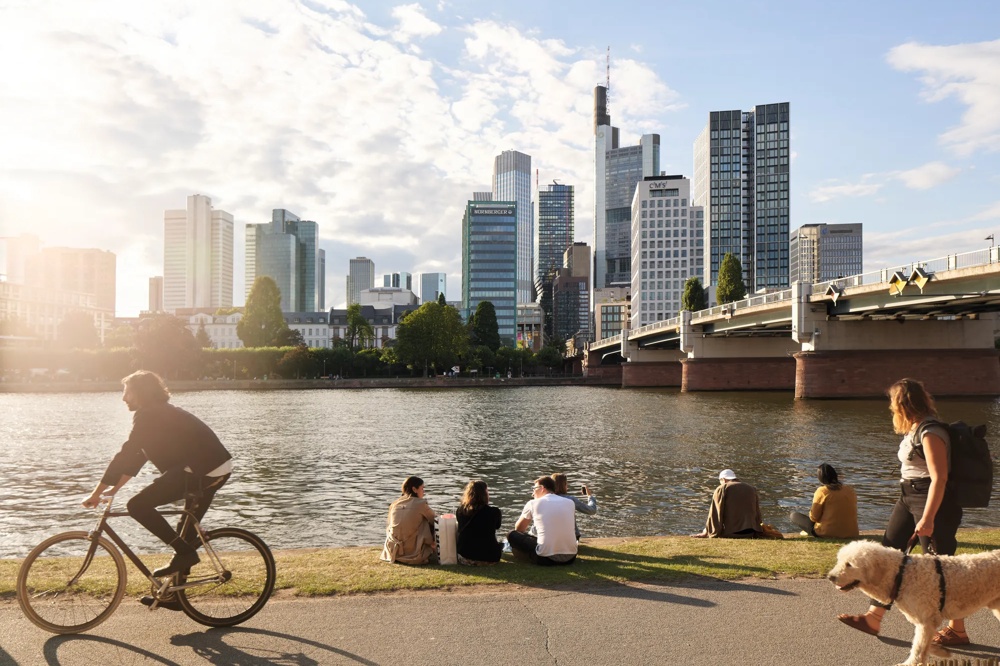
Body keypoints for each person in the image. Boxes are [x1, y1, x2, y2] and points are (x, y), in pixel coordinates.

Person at [82, 370, 232, 610]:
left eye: (127, 392)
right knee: (184, 534)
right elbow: (136, 458)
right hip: (210, 468)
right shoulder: (157, 413)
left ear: (141, 393)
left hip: (204, 470)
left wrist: (96, 492)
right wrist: (112, 490)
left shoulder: (149, 416)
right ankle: (176, 595)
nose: (123, 398)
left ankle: (185, 554)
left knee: (137, 506)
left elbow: (125, 454)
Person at [837, 378, 968, 646]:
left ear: (902, 404)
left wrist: (928, 518)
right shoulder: (914, 429)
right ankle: (873, 617)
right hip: (908, 497)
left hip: (930, 500)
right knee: (888, 552)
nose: (890, 409)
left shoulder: (930, 432)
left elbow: (939, 478)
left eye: (892, 404)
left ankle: (958, 630)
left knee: (941, 568)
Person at [508, 476, 577, 565]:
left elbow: (519, 529)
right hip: (571, 557)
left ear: (542, 488)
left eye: (534, 489)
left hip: (546, 558)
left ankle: (520, 554)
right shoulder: (570, 502)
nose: (533, 493)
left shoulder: (532, 503)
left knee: (512, 535)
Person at [789, 464, 859, 538]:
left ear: (820, 478)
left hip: (827, 533)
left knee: (793, 516)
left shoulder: (822, 491)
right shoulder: (850, 490)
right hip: (852, 532)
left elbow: (814, 517)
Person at [691, 469, 763, 538]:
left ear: (723, 479)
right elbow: (757, 512)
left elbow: (715, 513)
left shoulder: (722, 488)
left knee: (707, 529)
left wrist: (707, 531)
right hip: (750, 533)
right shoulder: (751, 488)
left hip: (731, 533)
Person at [381, 476, 436, 565]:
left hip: (392, 552)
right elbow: (435, 519)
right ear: (414, 489)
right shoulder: (421, 504)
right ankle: (434, 547)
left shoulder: (395, 504)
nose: (424, 492)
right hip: (412, 553)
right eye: (422, 488)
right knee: (427, 521)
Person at [455, 480, 503, 565]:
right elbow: (497, 526)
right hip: (490, 557)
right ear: (485, 494)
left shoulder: (460, 511)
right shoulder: (494, 512)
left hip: (465, 556)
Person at [551, 472, 597, 540]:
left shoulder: (544, 500)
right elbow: (592, 510)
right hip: (572, 538)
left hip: (551, 536)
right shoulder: (570, 500)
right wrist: (590, 496)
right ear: (564, 485)